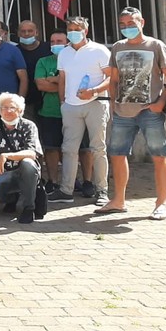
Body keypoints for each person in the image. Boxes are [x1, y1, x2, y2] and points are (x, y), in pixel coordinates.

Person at [101, 7, 166, 220]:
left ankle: (161, 204)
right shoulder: (118, 47)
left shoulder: (156, 45)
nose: (127, 28)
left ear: (141, 22)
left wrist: (160, 103)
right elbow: (114, 79)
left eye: (131, 24)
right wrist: (114, 104)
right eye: (123, 24)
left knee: (159, 155)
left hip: (150, 111)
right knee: (117, 155)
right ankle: (118, 201)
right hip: (123, 112)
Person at [51, 16, 110, 207]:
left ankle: (102, 190)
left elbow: (112, 77)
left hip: (96, 104)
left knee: (98, 148)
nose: (73, 33)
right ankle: (66, 190)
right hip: (70, 106)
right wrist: (63, 102)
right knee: (68, 149)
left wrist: (94, 91)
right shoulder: (64, 53)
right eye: (70, 29)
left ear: (86, 30)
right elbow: (62, 79)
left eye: (77, 29)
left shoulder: (100, 50)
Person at [0, 92, 44, 224]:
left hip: (24, 173)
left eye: (12, 107)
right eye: (4, 107)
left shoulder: (29, 126)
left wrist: (6, 156)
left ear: (20, 110)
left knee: (28, 163)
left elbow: (32, 153)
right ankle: (11, 198)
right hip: (3, 174)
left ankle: (29, 208)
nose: (8, 111)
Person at [32, 32, 70, 193]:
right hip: (49, 111)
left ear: (67, 42)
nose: (55, 44)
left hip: (74, 111)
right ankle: (53, 181)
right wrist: (65, 83)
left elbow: (77, 84)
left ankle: (77, 181)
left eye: (59, 41)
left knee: (80, 150)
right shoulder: (43, 62)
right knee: (51, 148)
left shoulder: (75, 60)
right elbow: (41, 85)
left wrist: (53, 79)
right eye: (52, 41)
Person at [17, 20, 50, 123]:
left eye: (30, 31)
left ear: (36, 32)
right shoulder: (14, 51)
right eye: (23, 31)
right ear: (18, 33)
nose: (26, 34)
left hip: (47, 98)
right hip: (26, 101)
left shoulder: (48, 49)